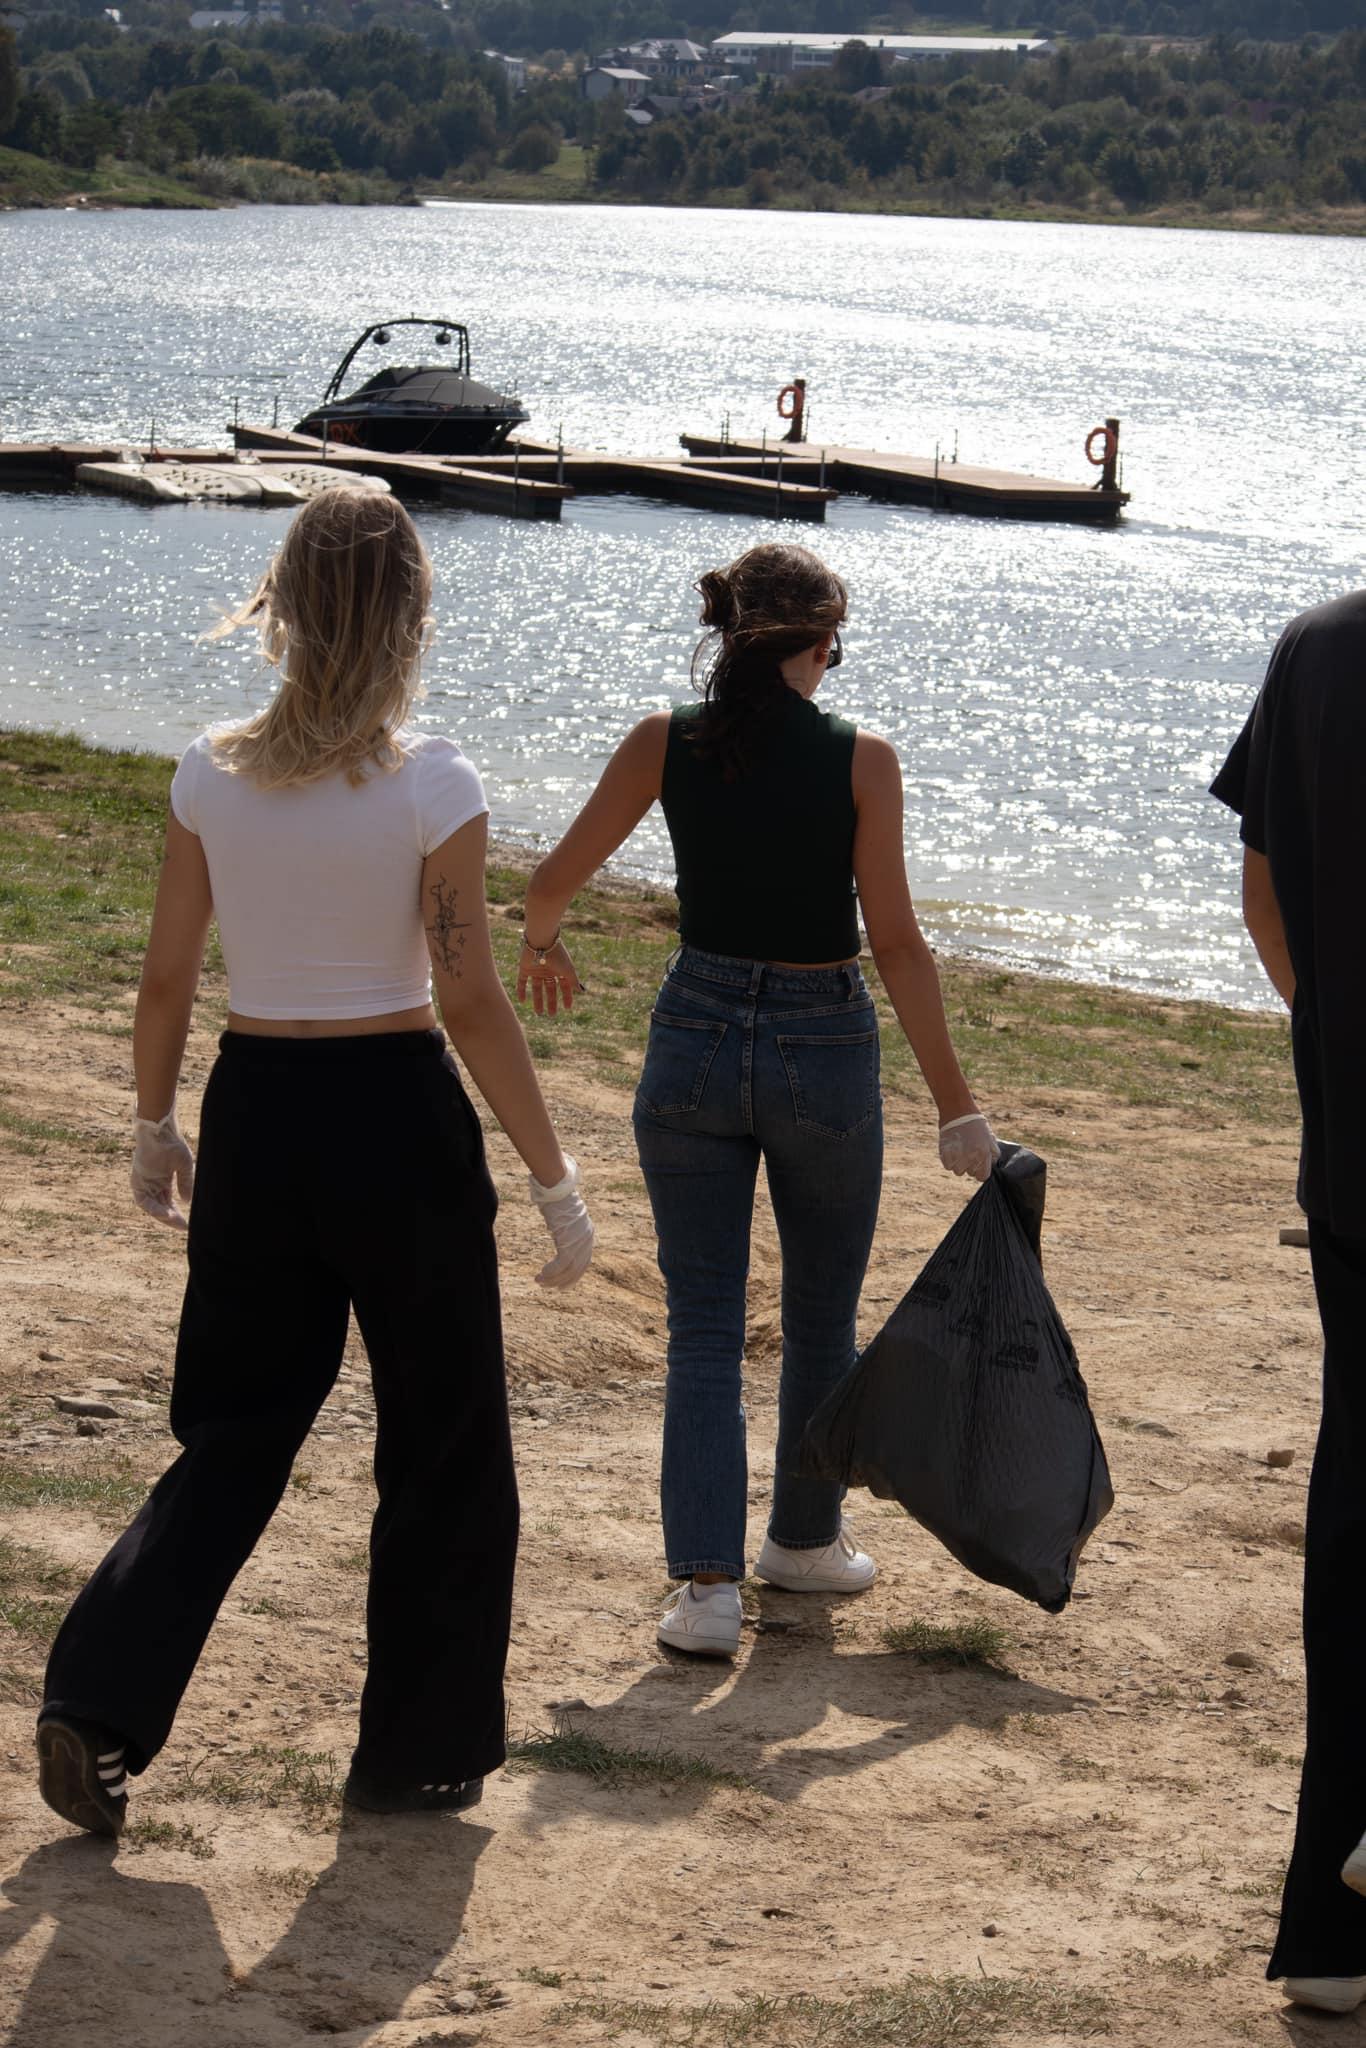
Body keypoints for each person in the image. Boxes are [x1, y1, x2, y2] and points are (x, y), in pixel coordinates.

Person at [36, 488, 593, 1839]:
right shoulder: (431, 778)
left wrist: (154, 1122)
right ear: (409, 611)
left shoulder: (208, 769)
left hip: (258, 1111)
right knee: (444, 1439)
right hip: (395, 1117)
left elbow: (166, 975)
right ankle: (417, 1755)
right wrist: (552, 1178)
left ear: (281, 603)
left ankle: (97, 1703)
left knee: (233, 1432)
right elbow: (468, 998)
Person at [517, 541, 997, 1660]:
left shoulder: (663, 739)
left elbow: (548, 883)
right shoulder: (862, 759)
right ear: (821, 640)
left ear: (728, 634)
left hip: (691, 1031)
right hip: (821, 1042)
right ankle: (802, 1541)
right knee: (822, 1314)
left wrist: (543, 944)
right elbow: (898, 944)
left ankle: (704, 1591)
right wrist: (955, 1106)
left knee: (703, 1326)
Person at [1211, 589, 1366, 2014]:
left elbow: (1261, 897)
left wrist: (1332, 1044)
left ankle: (1328, 1923)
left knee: (1354, 1509)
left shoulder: (1319, 646)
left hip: (1353, 1158)